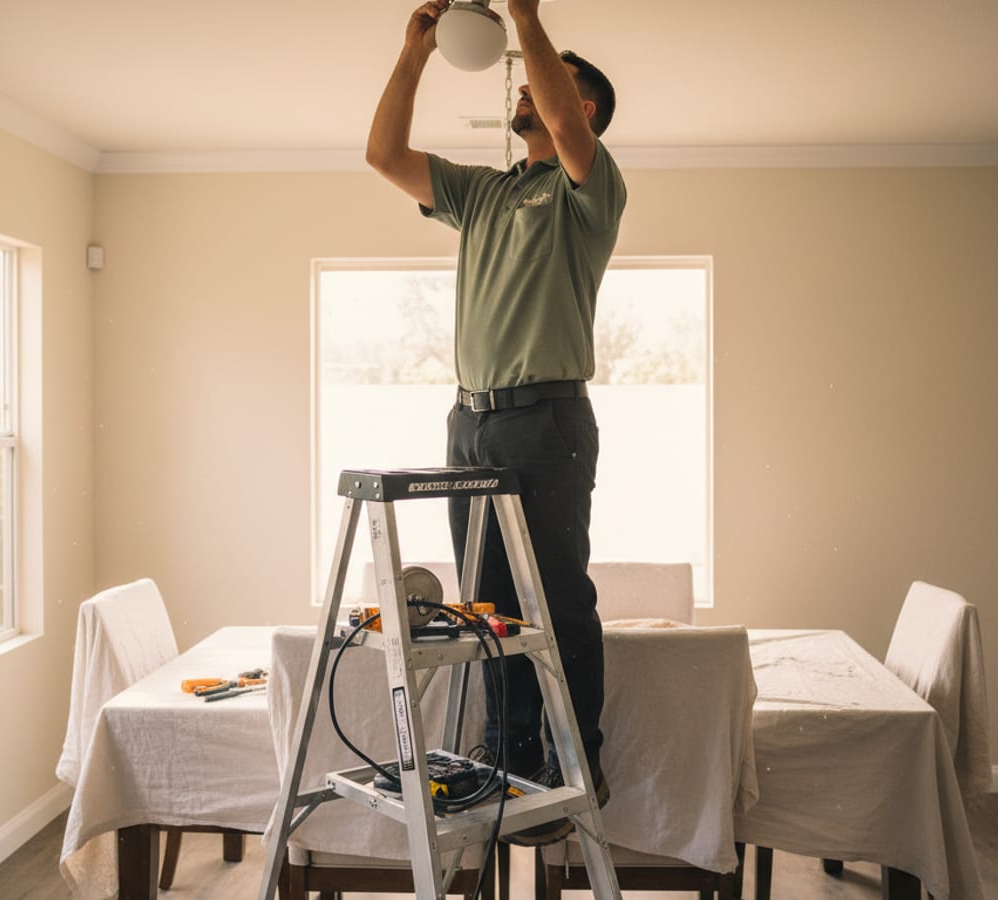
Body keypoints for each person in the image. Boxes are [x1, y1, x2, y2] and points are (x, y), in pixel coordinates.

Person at [367, 0, 627, 845]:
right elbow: (384, 156)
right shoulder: (482, 195)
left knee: (555, 599)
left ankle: (570, 765)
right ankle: (503, 756)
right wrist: (412, 55)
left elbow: (560, 116)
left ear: (581, 109)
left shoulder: (588, 188)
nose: (521, 92)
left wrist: (524, 16)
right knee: (487, 611)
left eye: (550, 91)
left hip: (546, 418)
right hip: (469, 422)